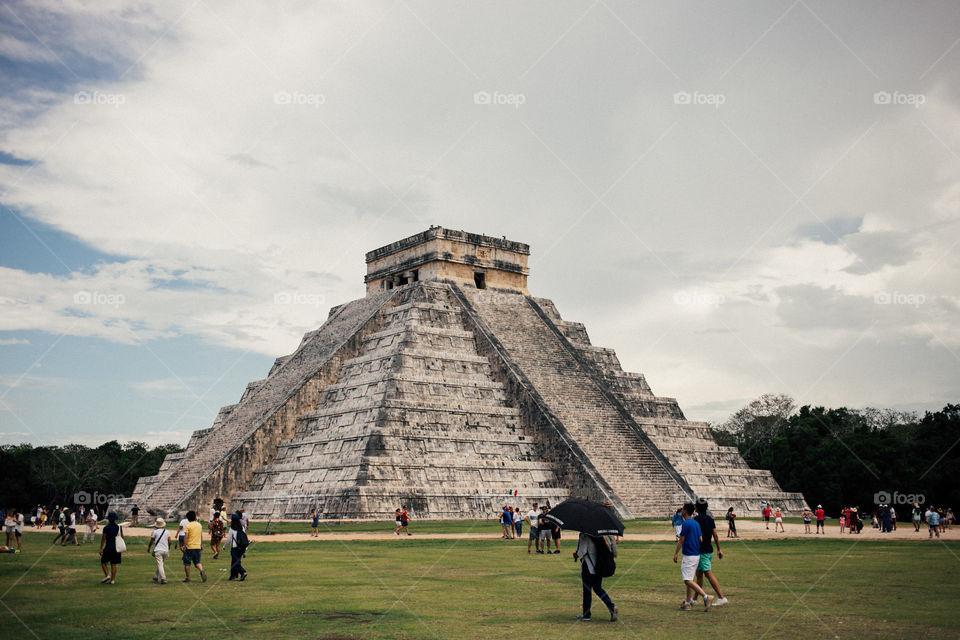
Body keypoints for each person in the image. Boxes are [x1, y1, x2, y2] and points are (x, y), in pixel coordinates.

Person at [674, 502, 712, 610]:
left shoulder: (686, 524)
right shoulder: (696, 523)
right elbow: (700, 539)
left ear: (685, 511)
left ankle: (705, 596)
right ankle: (687, 603)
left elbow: (681, 540)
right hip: (696, 555)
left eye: (682, 509)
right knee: (689, 578)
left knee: (687, 580)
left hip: (689, 555)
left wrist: (675, 553)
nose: (681, 511)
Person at [573, 531, 618, 621]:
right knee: (598, 588)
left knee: (587, 590)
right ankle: (611, 607)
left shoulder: (584, 535)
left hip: (588, 566)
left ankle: (586, 614)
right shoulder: (599, 535)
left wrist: (576, 554)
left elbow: (582, 551)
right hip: (598, 565)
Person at [690, 499, 727, 607]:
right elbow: (715, 535)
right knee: (699, 575)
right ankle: (694, 599)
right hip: (709, 550)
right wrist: (719, 549)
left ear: (696, 508)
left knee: (707, 573)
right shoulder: (710, 520)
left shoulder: (695, 520)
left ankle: (721, 597)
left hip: (701, 551)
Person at [180, 510, 206, 582]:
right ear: (195, 517)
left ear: (188, 518)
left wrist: (184, 545)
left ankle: (188, 577)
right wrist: (201, 545)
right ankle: (201, 570)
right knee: (197, 562)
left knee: (187, 562)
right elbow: (201, 536)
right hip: (197, 546)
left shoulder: (188, 526)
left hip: (189, 547)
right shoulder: (199, 525)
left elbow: (186, 537)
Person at [98, 512, 123, 584]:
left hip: (108, 546)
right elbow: (122, 537)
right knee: (113, 564)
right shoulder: (119, 527)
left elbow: (103, 538)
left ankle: (107, 575)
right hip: (116, 548)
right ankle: (112, 580)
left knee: (103, 562)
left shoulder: (106, 528)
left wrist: (100, 548)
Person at [223, 514, 248, 581]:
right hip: (241, 547)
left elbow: (228, 539)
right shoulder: (242, 527)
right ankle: (233, 575)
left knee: (236, 562)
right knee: (234, 561)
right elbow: (244, 537)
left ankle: (242, 572)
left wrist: (224, 546)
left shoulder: (232, 528)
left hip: (234, 547)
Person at [146, 517, 171, 584]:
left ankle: (163, 578)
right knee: (160, 563)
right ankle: (156, 576)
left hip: (158, 550)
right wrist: (168, 548)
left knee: (160, 564)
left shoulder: (155, 532)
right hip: (165, 550)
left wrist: (149, 547)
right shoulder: (167, 532)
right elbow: (169, 541)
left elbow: (151, 541)